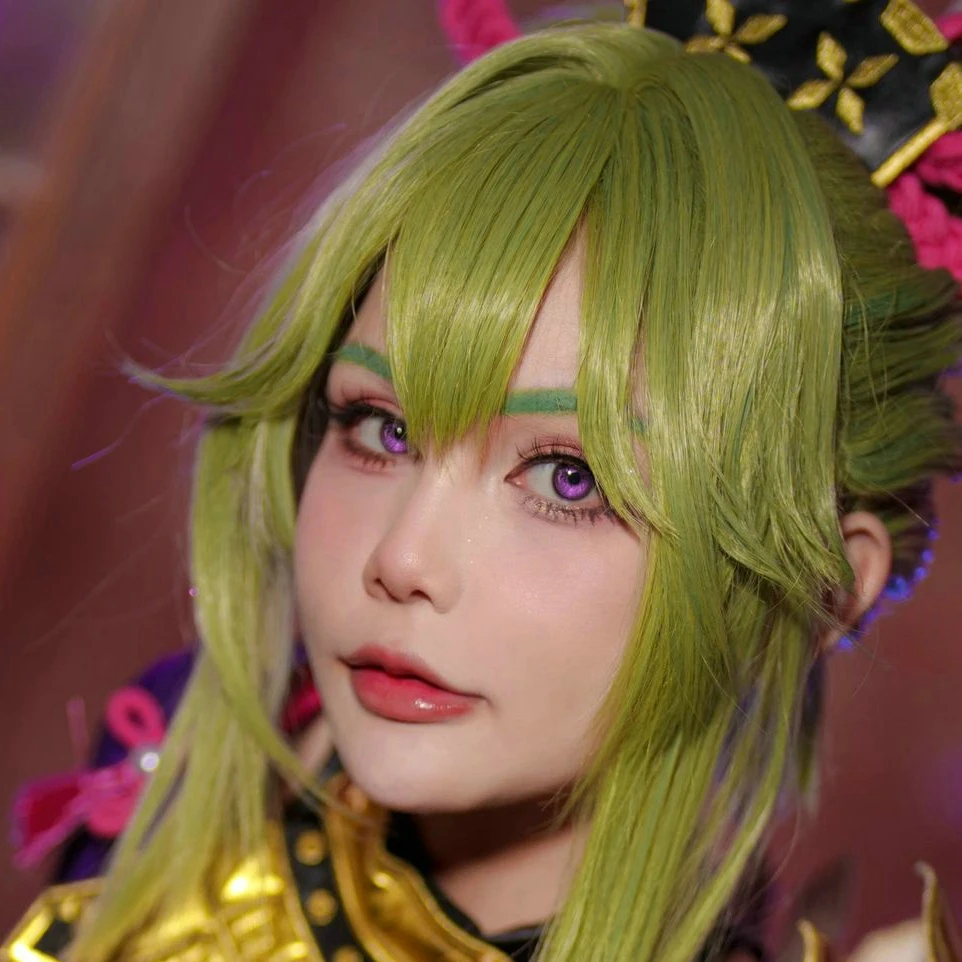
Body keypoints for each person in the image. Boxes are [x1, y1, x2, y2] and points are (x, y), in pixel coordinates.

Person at [5, 2, 962, 961]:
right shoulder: (171, 766)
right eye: (382, 428)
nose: (402, 557)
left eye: (570, 478)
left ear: (825, 587)